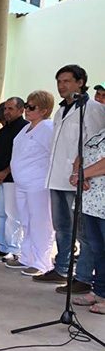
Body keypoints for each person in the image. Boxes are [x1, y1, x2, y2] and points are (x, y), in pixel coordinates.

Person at [35, 65, 105, 287]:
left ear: (80, 82)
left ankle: (83, 277)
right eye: (59, 81)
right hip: (56, 177)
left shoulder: (92, 109)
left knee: (83, 231)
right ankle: (62, 267)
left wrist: (80, 172)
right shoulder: (60, 110)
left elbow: (94, 146)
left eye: (67, 81)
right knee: (62, 227)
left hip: (79, 180)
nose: (61, 85)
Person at [7, 91, 56, 276]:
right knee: (26, 221)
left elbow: (53, 154)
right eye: (26, 105)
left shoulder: (47, 128)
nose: (27, 109)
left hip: (38, 184)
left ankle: (42, 262)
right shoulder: (26, 127)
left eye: (31, 107)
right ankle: (27, 256)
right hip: (22, 183)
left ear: (44, 110)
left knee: (40, 222)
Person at [0, 97, 28, 258]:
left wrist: (4, 172)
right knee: (0, 213)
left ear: (21, 110)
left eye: (11, 109)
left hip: (12, 178)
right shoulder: (3, 131)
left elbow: (20, 157)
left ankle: (14, 248)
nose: (7, 112)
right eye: (5, 109)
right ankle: (1, 245)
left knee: (13, 214)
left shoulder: (25, 129)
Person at [72, 127, 105, 313]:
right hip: (92, 200)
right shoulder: (100, 132)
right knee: (97, 248)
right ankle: (99, 291)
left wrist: (83, 174)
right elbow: (82, 154)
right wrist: (77, 173)